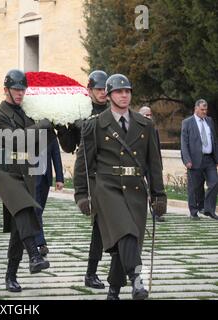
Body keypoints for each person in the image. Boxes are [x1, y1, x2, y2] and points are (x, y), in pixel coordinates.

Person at [73, 74, 166, 300]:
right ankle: (137, 279)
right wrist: (82, 195)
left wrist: (159, 194)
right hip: (107, 188)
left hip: (135, 189)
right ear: (109, 95)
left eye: (127, 91)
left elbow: (154, 164)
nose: (124, 95)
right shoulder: (95, 125)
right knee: (125, 230)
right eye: (118, 92)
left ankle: (113, 291)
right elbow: (83, 163)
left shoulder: (145, 124)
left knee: (126, 241)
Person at [0, 69, 52, 293]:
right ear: (6, 90)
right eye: (16, 89)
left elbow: (38, 145)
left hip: (25, 172)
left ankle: (10, 275)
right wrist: (41, 125)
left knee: (18, 227)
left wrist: (53, 124)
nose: (20, 93)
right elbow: (16, 140)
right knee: (24, 210)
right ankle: (34, 254)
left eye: (23, 89)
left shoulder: (28, 114)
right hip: (5, 172)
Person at [57, 70, 109, 290]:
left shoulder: (112, 110)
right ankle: (91, 272)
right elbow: (69, 146)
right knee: (99, 225)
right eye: (98, 89)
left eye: (105, 89)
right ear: (89, 90)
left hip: (111, 170)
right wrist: (63, 126)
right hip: (91, 172)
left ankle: (123, 267)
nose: (103, 93)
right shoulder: (80, 110)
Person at [181, 99, 218, 221]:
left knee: (214, 182)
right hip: (194, 159)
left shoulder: (209, 121)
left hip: (209, 159)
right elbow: (184, 143)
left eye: (206, 109)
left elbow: (214, 140)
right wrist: (187, 160)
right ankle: (193, 211)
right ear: (195, 108)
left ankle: (208, 210)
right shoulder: (187, 122)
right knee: (194, 187)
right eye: (202, 109)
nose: (204, 112)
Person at [35, 136, 64, 257]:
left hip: (45, 178)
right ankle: (41, 243)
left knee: (39, 210)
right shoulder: (28, 131)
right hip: (31, 177)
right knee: (36, 210)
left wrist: (59, 178)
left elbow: (56, 156)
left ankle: (28, 237)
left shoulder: (51, 136)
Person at [139, 106, 165, 222]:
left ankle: (157, 212)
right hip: (139, 164)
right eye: (145, 115)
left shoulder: (153, 129)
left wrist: (159, 165)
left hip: (151, 164)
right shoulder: (134, 129)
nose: (148, 117)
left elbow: (157, 148)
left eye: (149, 115)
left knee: (154, 187)